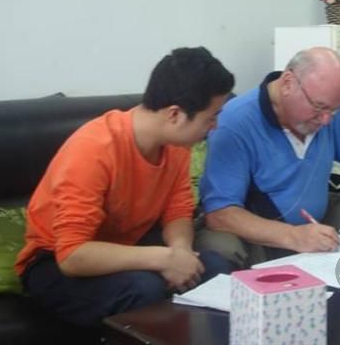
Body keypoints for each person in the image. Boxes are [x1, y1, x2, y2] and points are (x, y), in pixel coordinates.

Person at [15, 47, 235, 327]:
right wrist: (163, 258)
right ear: (175, 114)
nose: (214, 127)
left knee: (213, 268)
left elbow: (178, 210)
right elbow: (72, 255)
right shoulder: (94, 149)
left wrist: (180, 252)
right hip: (55, 263)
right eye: (210, 118)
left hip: (125, 246)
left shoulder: (176, 145)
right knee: (143, 289)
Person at [195, 47, 340, 269]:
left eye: (334, 110)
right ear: (288, 83)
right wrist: (294, 236)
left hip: (318, 218)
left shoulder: (328, 111)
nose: (326, 120)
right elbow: (220, 214)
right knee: (220, 248)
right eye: (318, 107)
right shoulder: (234, 121)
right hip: (259, 229)